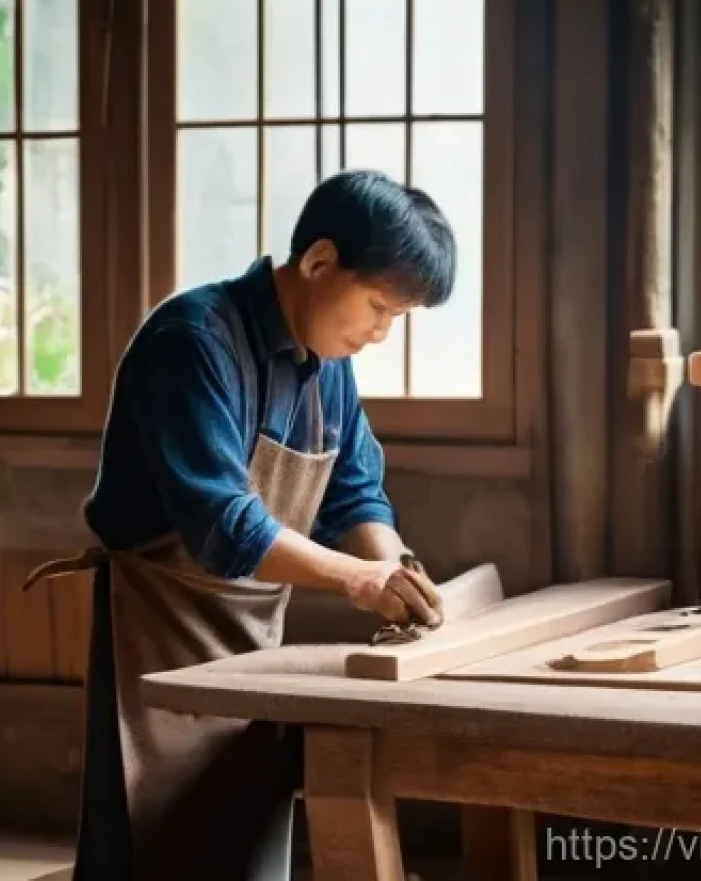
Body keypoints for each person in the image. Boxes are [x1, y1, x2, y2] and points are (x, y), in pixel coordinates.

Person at [23, 169, 455, 881]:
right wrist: (359, 579)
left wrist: (396, 568)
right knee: (149, 849)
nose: (381, 332)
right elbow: (225, 527)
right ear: (319, 261)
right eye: (379, 306)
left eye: (397, 319)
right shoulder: (192, 341)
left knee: (242, 845)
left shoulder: (328, 366)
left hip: (253, 633)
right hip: (156, 627)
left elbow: (355, 492)